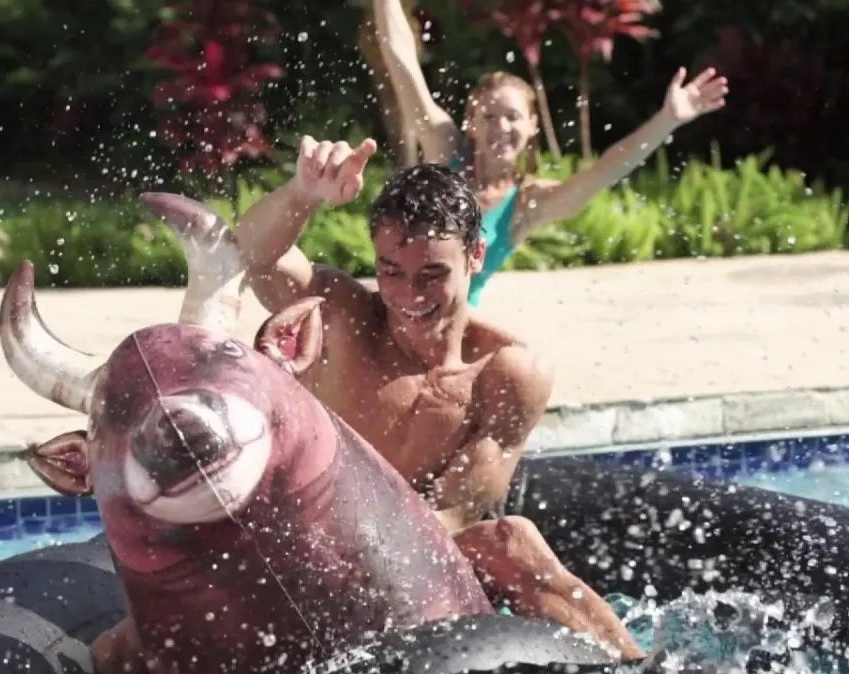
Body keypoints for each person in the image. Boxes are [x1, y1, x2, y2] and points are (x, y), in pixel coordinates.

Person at [231, 134, 645, 660]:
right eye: (391, 272)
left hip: (415, 562)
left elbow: (453, 511)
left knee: (510, 539)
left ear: (476, 256)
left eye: (433, 274)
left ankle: (636, 666)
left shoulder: (507, 372)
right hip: (305, 548)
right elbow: (251, 254)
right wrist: (301, 193)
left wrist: (371, 563)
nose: (410, 296)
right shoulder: (342, 318)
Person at [372, 0, 729, 306]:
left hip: (456, 331)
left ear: (532, 126)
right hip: (398, 310)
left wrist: (667, 121)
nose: (500, 127)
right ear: (471, 125)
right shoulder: (445, 152)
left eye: (512, 117)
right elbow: (402, 62)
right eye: (489, 117)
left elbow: (605, 171)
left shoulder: (526, 205)